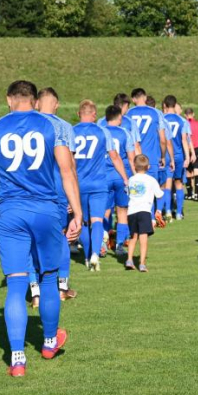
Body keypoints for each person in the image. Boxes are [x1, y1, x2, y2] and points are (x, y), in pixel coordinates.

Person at [0, 80, 82, 378]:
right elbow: (66, 170)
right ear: (35, 101)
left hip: (10, 213)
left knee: (16, 283)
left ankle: (18, 359)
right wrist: (78, 212)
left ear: (9, 99)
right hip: (48, 210)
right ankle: (49, 343)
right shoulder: (53, 126)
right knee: (49, 277)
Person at [74, 100, 128, 271]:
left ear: (79, 114)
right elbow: (114, 156)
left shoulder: (71, 131)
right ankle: (96, 254)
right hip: (98, 183)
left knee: (82, 221)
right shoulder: (103, 131)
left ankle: (88, 256)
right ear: (95, 115)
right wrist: (125, 178)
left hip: (78, 184)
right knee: (97, 220)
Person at [35, 87, 78, 303]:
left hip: (31, 192)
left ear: (36, 103)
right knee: (61, 237)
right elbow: (70, 166)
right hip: (58, 192)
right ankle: (62, 286)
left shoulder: (28, 124)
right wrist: (74, 199)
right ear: (57, 104)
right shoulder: (65, 127)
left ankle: (35, 291)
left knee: (32, 240)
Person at [126, 88, 171, 225]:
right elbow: (163, 139)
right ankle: (153, 216)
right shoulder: (156, 113)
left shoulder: (128, 114)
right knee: (152, 188)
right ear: (145, 98)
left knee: (136, 190)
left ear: (133, 99)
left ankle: (139, 218)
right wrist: (163, 156)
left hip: (134, 157)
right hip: (151, 157)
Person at [102, 105, 136, 255]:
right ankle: (119, 245)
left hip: (103, 175)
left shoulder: (100, 131)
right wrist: (134, 176)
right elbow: (131, 156)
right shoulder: (125, 133)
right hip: (121, 176)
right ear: (119, 118)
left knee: (104, 211)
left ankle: (101, 244)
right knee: (122, 211)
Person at [125, 155, 164, 272]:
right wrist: (159, 210)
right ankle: (142, 263)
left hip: (131, 211)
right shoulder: (151, 180)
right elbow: (160, 195)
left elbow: (127, 192)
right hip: (144, 211)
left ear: (134, 166)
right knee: (143, 238)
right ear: (148, 167)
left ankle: (129, 260)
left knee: (133, 237)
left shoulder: (131, 179)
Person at [162, 96, 190, 220]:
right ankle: (179, 213)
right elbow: (184, 140)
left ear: (165, 105)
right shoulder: (182, 120)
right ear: (175, 105)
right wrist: (187, 157)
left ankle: (167, 211)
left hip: (167, 155)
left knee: (167, 183)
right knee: (179, 184)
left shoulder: (161, 119)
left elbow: (162, 139)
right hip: (179, 155)